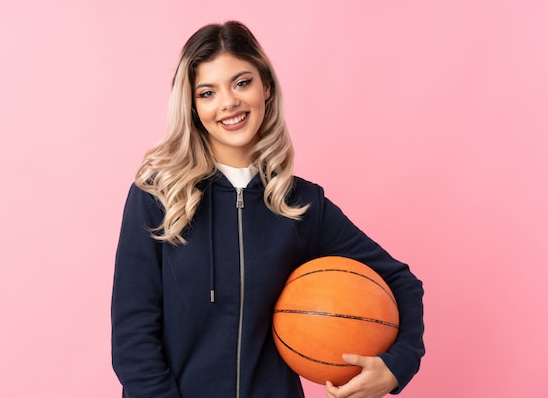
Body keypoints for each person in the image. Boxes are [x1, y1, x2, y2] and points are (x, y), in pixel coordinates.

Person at [111, 20, 425, 398]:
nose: (228, 102)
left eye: (241, 83)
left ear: (266, 88)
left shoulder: (302, 205)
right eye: (207, 92)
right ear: (192, 108)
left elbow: (401, 282)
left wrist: (397, 365)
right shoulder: (156, 197)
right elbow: (133, 335)